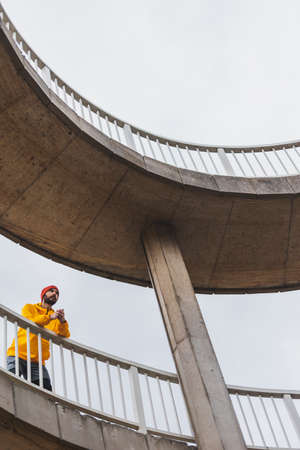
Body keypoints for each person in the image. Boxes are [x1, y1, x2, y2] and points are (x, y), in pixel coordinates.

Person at [7, 285, 70, 391]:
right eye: (51, 291)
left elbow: (65, 334)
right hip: (18, 354)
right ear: (43, 294)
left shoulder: (55, 317)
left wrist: (62, 321)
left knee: (46, 393)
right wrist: (49, 317)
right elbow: (32, 321)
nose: (55, 294)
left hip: (37, 361)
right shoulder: (29, 307)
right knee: (8, 385)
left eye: (57, 293)